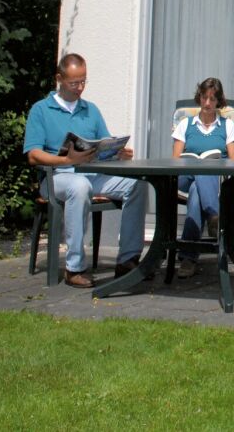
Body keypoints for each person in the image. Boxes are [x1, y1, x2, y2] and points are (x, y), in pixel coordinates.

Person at [23, 53, 149, 289]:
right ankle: (75, 268)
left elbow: (103, 142)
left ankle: (128, 260)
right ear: (59, 78)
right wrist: (66, 160)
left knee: (138, 184)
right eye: (74, 83)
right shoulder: (41, 110)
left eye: (83, 81)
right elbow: (33, 155)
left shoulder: (90, 110)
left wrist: (117, 151)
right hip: (57, 178)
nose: (80, 87)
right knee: (79, 186)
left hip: (92, 175)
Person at [171, 77, 234, 279]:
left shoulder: (227, 126)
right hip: (184, 178)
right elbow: (174, 161)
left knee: (196, 192)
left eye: (212, 98)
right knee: (199, 170)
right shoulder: (185, 124)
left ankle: (187, 258)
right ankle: (213, 214)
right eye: (204, 97)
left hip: (214, 183)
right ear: (199, 98)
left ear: (219, 101)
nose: (207, 103)